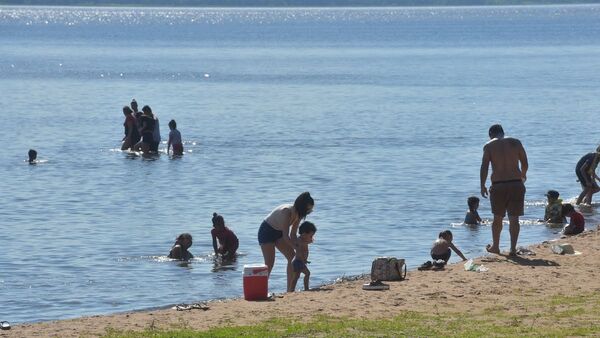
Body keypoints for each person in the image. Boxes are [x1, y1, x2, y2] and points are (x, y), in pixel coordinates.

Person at [480, 124, 528, 256]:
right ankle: (513, 248)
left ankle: (496, 246)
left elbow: (484, 167)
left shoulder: (489, 146)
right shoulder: (516, 142)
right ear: (503, 132)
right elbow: (525, 162)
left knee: (497, 218)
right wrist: (523, 176)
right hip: (516, 183)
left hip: (498, 184)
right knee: (514, 218)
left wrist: (482, 184)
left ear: (490, 134)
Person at [258, 192, 314, 292]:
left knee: (292, 257)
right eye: (308, 209)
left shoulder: (299, 215)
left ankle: (289, 289)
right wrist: (297, 248)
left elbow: (292, 235)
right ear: (302, 206)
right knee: (269, 263)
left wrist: (301, 245)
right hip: (266, 231)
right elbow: (286, 236)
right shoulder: (287, 212)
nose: (309, 212)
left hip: (278, 232)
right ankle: (261, 290)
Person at [290, 221, 316, 292]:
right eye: (310, 236)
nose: (311, 238)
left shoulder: (304, 240)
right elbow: (299, 252)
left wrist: (305, 260)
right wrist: (303, 260)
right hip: (298, 262)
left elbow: (309, 242)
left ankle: (291, 289)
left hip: (300, 261)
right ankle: (306, 288)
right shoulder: (300, 241)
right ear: (304, 234)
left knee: (296, 276)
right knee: (307, 273)